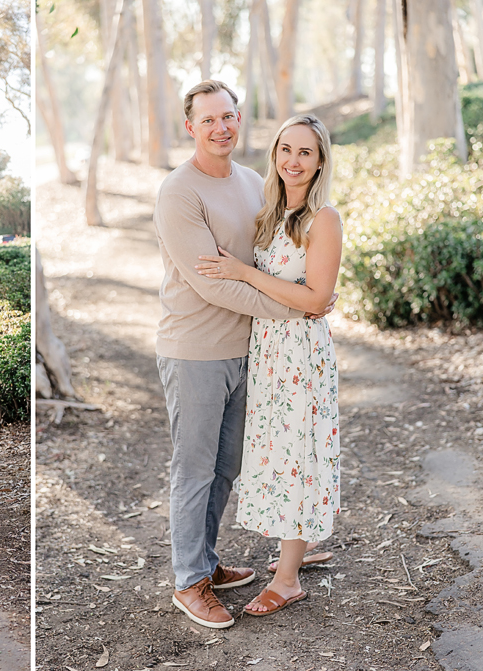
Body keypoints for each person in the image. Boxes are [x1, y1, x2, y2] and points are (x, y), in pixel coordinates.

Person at [153, 80, 336, 629]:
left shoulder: (255, 182)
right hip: (197, 349)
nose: (221, 127)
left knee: (227, 466)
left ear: (239, 119)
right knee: (194, 468)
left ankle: (207, 561)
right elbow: (213, 283)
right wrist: (300, 308)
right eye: (208, 119)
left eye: (228, 116)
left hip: (255, 352)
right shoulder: (179, 192)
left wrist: (309, 297)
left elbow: (288, 257)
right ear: (191, 126)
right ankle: (189, 580)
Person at [195, 114, 342, 616]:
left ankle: (287, 579)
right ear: (275, 154)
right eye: (286, 150)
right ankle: (295, 548)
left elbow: (316, 298)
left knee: (298, 454)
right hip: (268, 352)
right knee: (278, 454)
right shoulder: (271, 212)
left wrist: (242, 272)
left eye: (305, 152)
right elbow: (299, 291)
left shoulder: (324, 218)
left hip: (301, 354)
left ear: (320, 161)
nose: (293, 161)